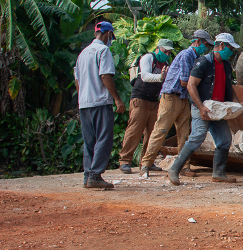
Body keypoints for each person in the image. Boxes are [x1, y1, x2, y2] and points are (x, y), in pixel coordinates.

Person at [139, 29, 214, 177]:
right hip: (171, 97)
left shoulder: (196, 58)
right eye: (205, 44)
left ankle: (184, 166)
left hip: (182, 98)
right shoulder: (187, 55)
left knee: (184, 134)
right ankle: (146, 164)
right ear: (197, 41)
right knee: (161, 130)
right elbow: (185, 81)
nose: (207, 48)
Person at [168, 33, 240, 185]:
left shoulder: (226, 65)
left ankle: (218, 173)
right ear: (220, 46)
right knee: (197, 136)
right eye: (229, 48)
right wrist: (200, 107)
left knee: (225, 140)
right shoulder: (204, 62)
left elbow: (228, 86)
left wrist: (234, 103)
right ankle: (175, 169)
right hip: (203, 106)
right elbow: (190, 85)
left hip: (218, 108)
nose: (231, 51)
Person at [74, 21, 126, 189]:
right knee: (104, 137)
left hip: (85, 102)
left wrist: (82, 96)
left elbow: (77, 79)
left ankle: (88, 175)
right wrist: (117, 99)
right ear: (108, 34)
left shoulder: (83, 53)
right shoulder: (103, 51)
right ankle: (95, 175)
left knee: (89, 140)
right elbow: (105, 76)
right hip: (100, 101)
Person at [118, 39, 173, 173]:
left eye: (169, 52)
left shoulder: (165, 63)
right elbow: (145, 76)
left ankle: (147, 161)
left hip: (155, 101)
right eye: (165, 51)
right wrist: (161, 77)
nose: (167, 54)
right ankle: (125, 161)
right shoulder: (148, 58)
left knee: (152, 133)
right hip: (140, 98)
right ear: (158, 48)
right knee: (134, 130)